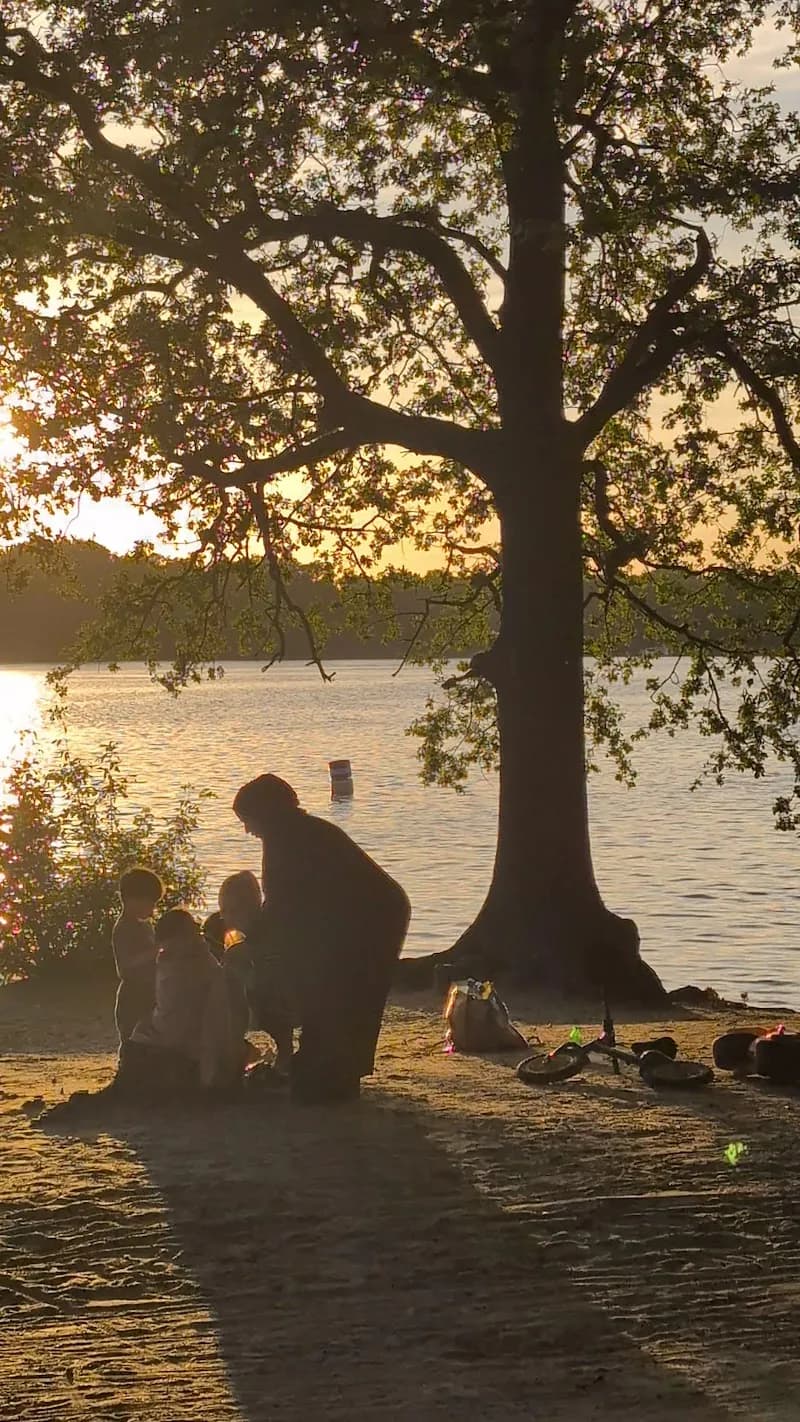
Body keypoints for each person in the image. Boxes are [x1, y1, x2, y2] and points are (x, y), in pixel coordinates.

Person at [232, 773, 410, 1104]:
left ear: (265, 811)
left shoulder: (291, 839)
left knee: (347, 994)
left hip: (373, 919)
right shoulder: (292, 834)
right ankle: (332, 1069)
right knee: (336, 993)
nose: (247, 830)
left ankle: (337, 1072)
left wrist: (254, 942)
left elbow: (282, 904)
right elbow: (285, 905)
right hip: (352, 919)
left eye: (248, 820)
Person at [121, 908, 241, 1095]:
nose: (197, 932)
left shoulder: (185, 962)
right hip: (182, 1037)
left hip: (179, 1037)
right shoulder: (188, 962)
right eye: (191, 929)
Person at [203, 871, 294, 1072]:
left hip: (280, 996)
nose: (225, 916)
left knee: (252, 1000)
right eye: (223, 910)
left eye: (233, 910)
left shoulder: (265, 932)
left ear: (252, 907)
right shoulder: (226, 930)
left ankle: (280, 1050)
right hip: (261, 992)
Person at [112, 866, 163, 1044]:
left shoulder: (145, 925)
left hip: (150, 993)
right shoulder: (124, 928)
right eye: (150, 903)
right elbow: (125, 967)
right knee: (131, 1043)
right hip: (132, 998)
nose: (152, 910)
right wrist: (156, 950)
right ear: (133, 900)